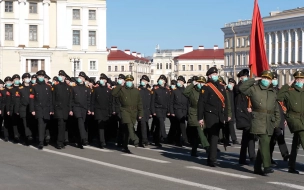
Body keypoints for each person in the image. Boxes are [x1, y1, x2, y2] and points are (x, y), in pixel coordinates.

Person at [239, 70, 280, 175]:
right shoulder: (254, 89)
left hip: (269, 121)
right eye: (264, 78)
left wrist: (276, 122)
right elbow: (242, 88)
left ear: (271, 81)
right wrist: (254, 79)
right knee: (264, 142)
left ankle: (257, 167)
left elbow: (276, 109)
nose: (266, 80)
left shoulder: (273, 92)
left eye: (268, 79)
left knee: (264, 144)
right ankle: (267, 166)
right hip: (258, 120)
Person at [197, 67, 229, 167]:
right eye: (213, 74)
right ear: (209, 76)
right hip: (210, 114)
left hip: (220, 114)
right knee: (214, 136)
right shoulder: (206, 87)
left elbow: (225, 103)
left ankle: (211, 156)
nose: (215, 76)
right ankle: (212, 159)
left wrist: (226, 115)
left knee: (216, 137)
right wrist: (200, 118)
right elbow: (201, 103)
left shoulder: (222, 86)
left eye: (216, 74)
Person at [277, 70, 304, 174]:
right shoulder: (289, 91)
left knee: (296, 143)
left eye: (302, 79)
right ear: (294, 80)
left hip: (303, 118)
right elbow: (279, 97)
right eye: (298, 79)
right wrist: (287, 85)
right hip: (294, 118)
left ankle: (291, 166)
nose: (300, 81)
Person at [112, 75, 143, 153]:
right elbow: (113, 94)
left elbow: (139, 103)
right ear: (125, 82)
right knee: (129, 125)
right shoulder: (122, 90)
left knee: (127, 130)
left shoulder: (136, 91)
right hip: (125, 110)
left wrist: (140, 113)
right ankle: (135, 139)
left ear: (132, 82)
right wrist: (119, 85)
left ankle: (125, 146)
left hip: (134, 111)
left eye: (130, 81)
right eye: (127, 81)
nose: (129, 82)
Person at [183, 76, 209, 157]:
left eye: (202, 83)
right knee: (199, 129)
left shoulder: (206, 91)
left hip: (204, 113)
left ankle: (194, 150)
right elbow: (185, 92)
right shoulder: (193, 91)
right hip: (194, 113)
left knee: (196, 134)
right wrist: (192, 84)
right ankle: (207, 147)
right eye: (199, 82)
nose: (200, 84)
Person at [234, 69, 256, 165]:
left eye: (247, 77)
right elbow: (241, 89)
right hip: (243, 114)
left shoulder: (251, 87)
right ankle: (249, 157)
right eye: (243, 77)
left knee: (249, 136)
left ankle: (246, 157)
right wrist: (253, 80)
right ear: (241, 78)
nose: (245, 79)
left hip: (250, 114)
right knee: (248, 135)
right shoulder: (237, 87)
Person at [29, 70, 53, 150]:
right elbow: (32, 99)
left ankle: (43, 138)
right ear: (37, 77)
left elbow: (50, 99)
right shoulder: (34, 87)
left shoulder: (48, 87)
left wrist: (51, 109)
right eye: (39, 76)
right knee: (40, 124)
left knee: (44, 125)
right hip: (38, 108)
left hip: (46, 108)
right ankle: (40, 142)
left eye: (42, 76)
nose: (41, 78)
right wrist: (32, 109)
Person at [269, 72, 289, 166]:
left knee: (275, 138)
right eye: (273, 78)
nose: (275, 80)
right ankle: (285, 154)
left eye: (276, 78)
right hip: (272, 118)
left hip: (280, 117)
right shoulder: (269, 91)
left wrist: (285, 118)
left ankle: (270, 157)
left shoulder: (278, 90)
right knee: (275, 137)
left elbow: (283, 106)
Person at [91, 73, 113, 149]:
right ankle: (101, 142)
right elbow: (93, 100)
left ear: (106, 81)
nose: (102, 81)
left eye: (103, 79)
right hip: (98, 110)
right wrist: (92, 110)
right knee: (100, 126)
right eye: (101, 79)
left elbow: (110, 102)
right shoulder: (96, 89)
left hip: (106, 111)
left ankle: (104, 140)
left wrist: (111, 111)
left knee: (105, 126)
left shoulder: (108, 90)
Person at [71, 72, 91, 149]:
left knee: (81, 124)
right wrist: (71, 109)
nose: (80, 78)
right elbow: (71, 99)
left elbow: (88, 100)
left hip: (84, 108)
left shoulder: (87, 89)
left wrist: (89, 109)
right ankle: (84, 138)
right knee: (80, 121)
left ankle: (79, 141)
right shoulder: (74, 88)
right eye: (79, 77)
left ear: (84, 79)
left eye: (81, 77)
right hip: (76, 107)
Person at [52, 70, 72, 149]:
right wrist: (53, 108)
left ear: (64, 77)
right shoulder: (56, 86)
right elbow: (53, 98)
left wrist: (70, 109)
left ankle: (62, 141)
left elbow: (70, 99)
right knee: (60, 124)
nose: (60, 77)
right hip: (58, 108)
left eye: (61, 75)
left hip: (65, 109)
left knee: (63, 125)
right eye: (59, 75)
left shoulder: (68, 87)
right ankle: (59, 142)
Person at [150, 75, 171, 147]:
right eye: (160, 79)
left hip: (164, 110)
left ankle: (156, 140)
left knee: (158, 126)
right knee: (161, 122)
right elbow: (152, 101)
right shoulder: (156, 90)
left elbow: (168, 102)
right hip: (157, 109)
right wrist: (153, 111)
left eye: (162, 79)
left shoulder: (167, 91)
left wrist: (168, 111)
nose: (161, 81)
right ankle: (164, 136)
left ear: (165, 81)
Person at [170, 76, 189, 146]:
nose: (178, 82)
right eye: (178, 81)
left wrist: (188, 111)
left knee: (179, 126)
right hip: (177, 109)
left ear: (183, 82)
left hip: (184, 109)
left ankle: (177, 140)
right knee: (182, 122)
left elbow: (188, 102)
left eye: (180, 81)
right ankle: (185, 139)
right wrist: (172, 111)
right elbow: (171, 102)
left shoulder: (186, 91)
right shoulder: (174, 91)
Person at [17, 73, 33, 145]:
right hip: (23, 108)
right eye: (26, 78)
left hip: (31, 108)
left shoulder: (32, 87)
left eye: (28, 77)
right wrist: (17, 110)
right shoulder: (20, 89)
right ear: (23, 79)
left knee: (31, 122)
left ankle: (30, 136)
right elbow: (18, 100)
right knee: (25, 122)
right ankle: (28, 137)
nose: (27, 79)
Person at [137, 75, 152, 147]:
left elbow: (150, 103)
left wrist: (150, 112)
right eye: (142, 81)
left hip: (147, 111)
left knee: (142, 125)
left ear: (147, 82)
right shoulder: (138, 91)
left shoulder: (148, 92)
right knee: (143, 125)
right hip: (140, 110)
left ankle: (139, 140)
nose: (143, 82)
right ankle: (144, 140)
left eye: (145, 81)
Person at [225, 78, 239, 145]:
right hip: (228, 110)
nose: (230, 84)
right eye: (229, 83)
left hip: (234, 110)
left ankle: (227, 140)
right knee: (230, 125)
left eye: (232, 83)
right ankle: (233, 139)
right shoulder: (226, 91)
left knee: (229, 125)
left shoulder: (235, 92)